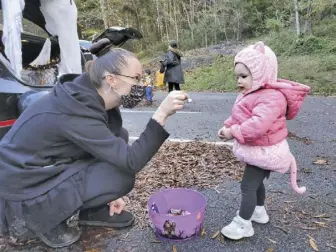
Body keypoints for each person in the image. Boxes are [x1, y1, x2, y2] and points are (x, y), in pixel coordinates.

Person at [0, 38, 190, 248]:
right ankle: (43, 220)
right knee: (120, 175)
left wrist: (104, 195)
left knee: (121, 136)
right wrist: (161, 114)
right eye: (136, 78)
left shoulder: (90, 97)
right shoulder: (75, 108)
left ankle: (93, 210)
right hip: (21, 190)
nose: (141, 85)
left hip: (42, 170)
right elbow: (130, 161)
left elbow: (111, 145)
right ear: (112, 80)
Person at [218, 41, 311, 240]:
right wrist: (228, 126)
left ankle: (243, 224)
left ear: (261, 73)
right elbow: (240, 115)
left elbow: (257, 126)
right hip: (258, 150)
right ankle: (259, 211)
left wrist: (233, 132)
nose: (239, 81)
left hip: (266, 152)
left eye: (244, 76)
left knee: (247, 186)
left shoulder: (272, 97)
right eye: (238, 76)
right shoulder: (252, 93)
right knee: (256, 183)